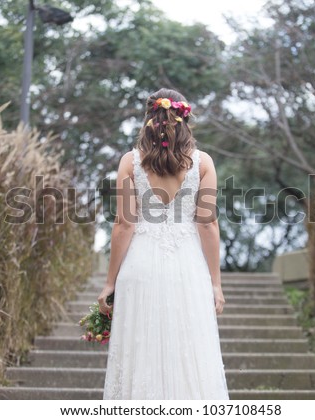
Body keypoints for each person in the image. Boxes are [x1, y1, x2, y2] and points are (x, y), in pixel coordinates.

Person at [98, 88, 229, 400]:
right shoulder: (203, 163)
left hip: (140, 266)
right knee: (192, 352)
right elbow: (208, 223)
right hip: (189, 268)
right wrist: (216, 283)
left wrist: (109, 283)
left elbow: (125, 225)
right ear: (185, 119)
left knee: (139, 351)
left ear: (148, 118)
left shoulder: (130, 162)